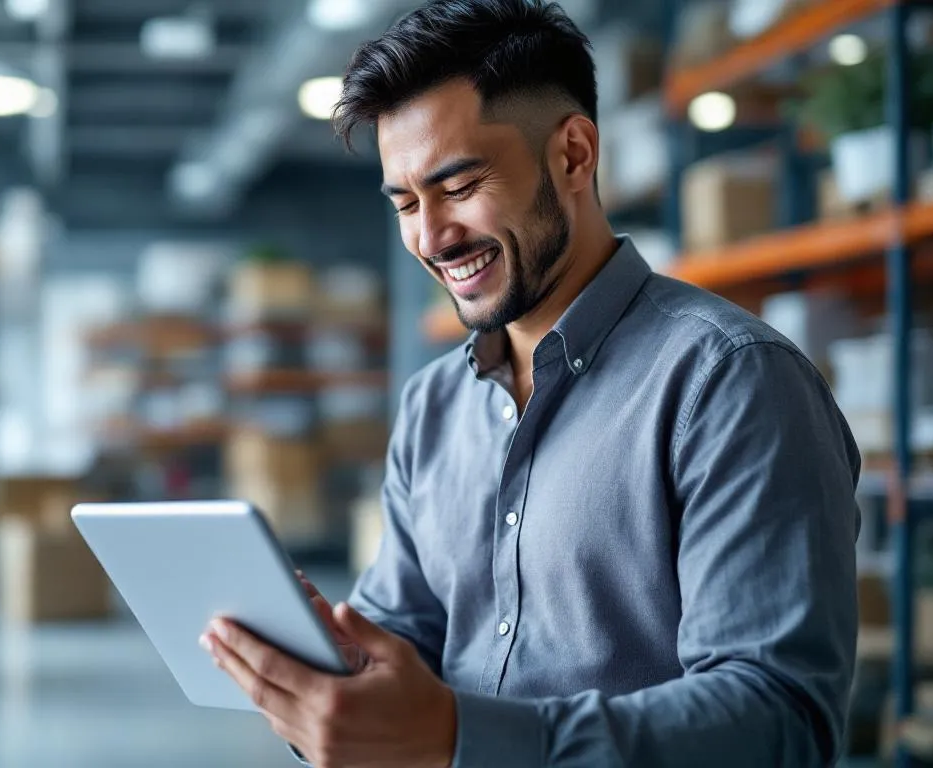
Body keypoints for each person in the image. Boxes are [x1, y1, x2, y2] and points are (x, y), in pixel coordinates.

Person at [198, 1, 862, 765]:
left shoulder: (730, 384)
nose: (430, 237)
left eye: (459, 185)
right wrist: (329, 679)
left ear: (574, 155)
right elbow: (405, 639)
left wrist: (460, 738)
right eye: (406, 204)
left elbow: (780, 721)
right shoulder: (433, 407)